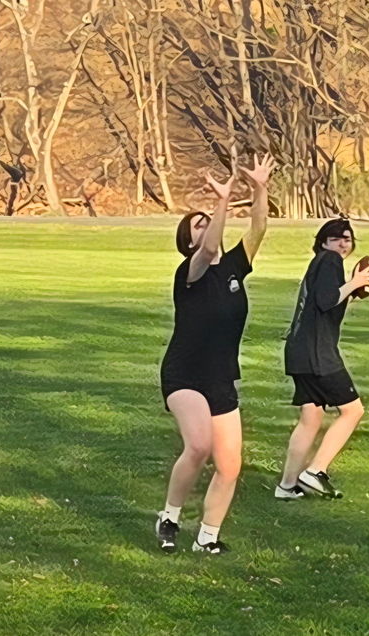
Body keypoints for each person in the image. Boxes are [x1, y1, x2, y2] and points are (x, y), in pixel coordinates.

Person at [155, 153, 274, 554]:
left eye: (209, 222)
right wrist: (222, 201)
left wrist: (259, 188)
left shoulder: (235, 267)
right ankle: (169, 516)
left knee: (230, 464)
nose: (207, 229)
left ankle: (207, 537)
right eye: (198, 226)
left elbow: (258, 228)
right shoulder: (190, 270)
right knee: (199, 445)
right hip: (184, 375)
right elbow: (207, 253)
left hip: (221, 376)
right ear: (188, 241)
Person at [275, 218, 369, 500]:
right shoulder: (330, 260)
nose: (343, 243)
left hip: (298, 351)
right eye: (336, 238)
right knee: (353, 411)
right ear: (323, 242)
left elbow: (325, 304)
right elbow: (325, 300)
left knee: (311, 417)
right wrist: (355, 282)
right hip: (317, 353)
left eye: (347, 239)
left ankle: (286, 486)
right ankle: (315, 471)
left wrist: (352, 291)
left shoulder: (321, 264)